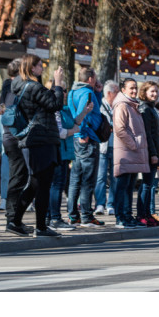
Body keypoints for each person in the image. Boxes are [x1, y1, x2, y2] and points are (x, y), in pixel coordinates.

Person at [5, 54, 65, 237]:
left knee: (35, 183)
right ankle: (40, 226)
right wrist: (58, 84)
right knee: (41, 185)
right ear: (32, 68)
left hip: (34, 140)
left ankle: (15, 221)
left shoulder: (18, 86)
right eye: (40, 65)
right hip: (41, 139)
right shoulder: (33, 86)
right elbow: (55, 104)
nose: (42, 68)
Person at [66, 67, 106, 227]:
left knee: (75, 179)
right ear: (90, 79)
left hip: (77, 138)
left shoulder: (73, 91)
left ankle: (73, 215)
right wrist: (83, 134)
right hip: (86, 138)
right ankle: (87, 216)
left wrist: (98, 92)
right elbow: (85, 113)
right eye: (95, 78)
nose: (96, 80)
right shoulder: (86, 93)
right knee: (87, 180)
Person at [111, 78, 150, 229]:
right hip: (126, 152)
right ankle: (120, 217)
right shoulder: (122, 105)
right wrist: (134, 144)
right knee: (122, 187)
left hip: (132, 153)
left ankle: (127, 215)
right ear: (123, 90)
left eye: (135, 88)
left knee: (128, 187)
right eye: (131, 88)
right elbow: (120, 129)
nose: (134, 91)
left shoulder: (132, 105)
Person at [47, 101, 89, 230]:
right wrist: (74, 131)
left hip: (66, 153)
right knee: (56, 185)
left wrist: (85, 112)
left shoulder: (64, 109)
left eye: (64, 91)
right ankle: (54, 218)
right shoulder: (52, 111)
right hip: (56, 151)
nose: (63, 94)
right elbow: (60, 132)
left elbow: (74, 123)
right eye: (60, 91)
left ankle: (52, 217)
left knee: (58, 185)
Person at [0, 58, 21, 211]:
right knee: (7, 173)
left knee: (20, 173)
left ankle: (21, 200)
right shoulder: (8, 87)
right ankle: (5, 198)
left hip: (15, 137)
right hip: (10, 140)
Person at [137, 81, 159, 226]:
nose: (155, 94)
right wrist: (153, 153)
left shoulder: (151, 108)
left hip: (154, 151)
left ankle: (147, 213)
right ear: (145, 92)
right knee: (146, 184)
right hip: (149, 152)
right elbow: (148, 133)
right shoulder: (145, 109)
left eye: (156, 91)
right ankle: (142, 214)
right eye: (151, 91)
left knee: (150, 184)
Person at [94, 80, 119, 216]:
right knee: (100, 177)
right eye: (117, 91)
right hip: (102, 146)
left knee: (115, 177)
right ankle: (99, 204)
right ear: (109, 93)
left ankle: (111, 204)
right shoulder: (100, 104)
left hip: (116, 146)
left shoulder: (118, 105)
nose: (118, 94)